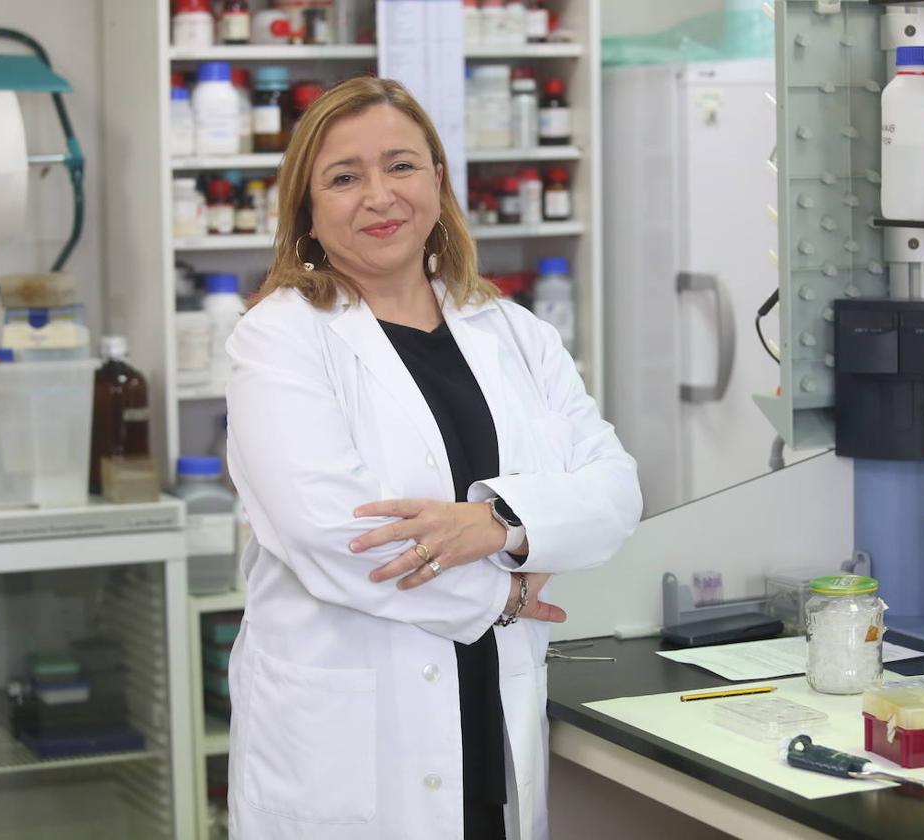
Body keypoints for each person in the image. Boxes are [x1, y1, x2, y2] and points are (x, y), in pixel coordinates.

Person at [223, 76, 642, 840]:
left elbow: (614, 491)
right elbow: (337, 537)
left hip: (489, 710)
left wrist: (500, 525)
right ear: (308, 211)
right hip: (356, 742)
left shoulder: (512, 330)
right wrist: (505, 597)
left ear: (439, 182)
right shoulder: (278, 340)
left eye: (402, 166)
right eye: (344, 178)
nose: (379, 196)